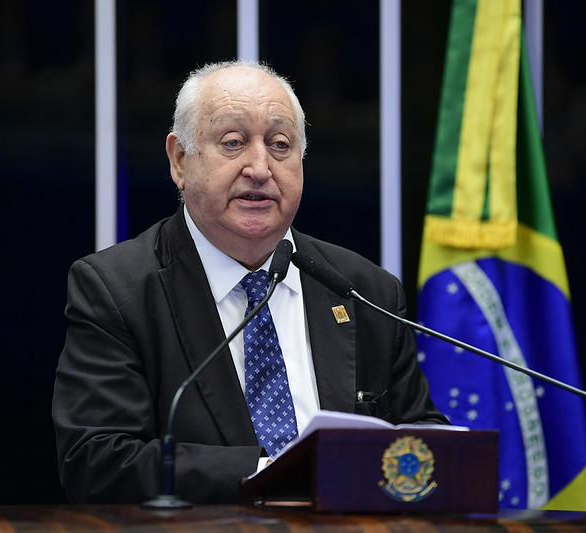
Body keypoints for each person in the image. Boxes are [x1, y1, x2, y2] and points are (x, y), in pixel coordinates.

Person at [52, 60, 448, 505]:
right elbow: (98, 461)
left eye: (280, 145)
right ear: (180, 160)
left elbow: (423, 440)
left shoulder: (365, 291)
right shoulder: (118, 289)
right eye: (233, 142)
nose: (259, 167)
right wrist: (277, 475)